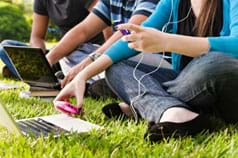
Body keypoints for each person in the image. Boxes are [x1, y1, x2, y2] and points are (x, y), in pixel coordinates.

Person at [54, 0, 238, 143]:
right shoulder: (173, 3)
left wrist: (166, 41)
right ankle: (174, 112)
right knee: (116, 67)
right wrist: (82, 76)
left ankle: (145, 106)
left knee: (215, 63)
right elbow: (131, 39)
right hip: (187, 82)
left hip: (222, 80)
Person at [46, 0, 165, 89]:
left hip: (152, 58)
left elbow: (127, 34)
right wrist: (47, 60)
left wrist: (88, 62)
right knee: (70, 52)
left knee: (118, 59)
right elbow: (83, 30)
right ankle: (92, 83)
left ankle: (98, 83)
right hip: (122, 52)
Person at [0, 0, 104, 77]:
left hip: (87, 52)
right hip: (60, 54)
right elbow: (37, 37)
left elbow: (86, 31)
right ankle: (45, 74)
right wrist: (39, 59)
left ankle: (33, 74)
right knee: (5, 47)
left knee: (71, 55)